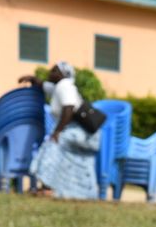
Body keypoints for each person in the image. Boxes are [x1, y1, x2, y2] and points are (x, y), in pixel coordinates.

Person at [19, 62, 101, 199]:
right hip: (78, 131)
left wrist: (57, 132)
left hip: (80, 132)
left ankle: (47, 187)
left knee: (52, 147)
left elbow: (68, 109)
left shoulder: (65, 86)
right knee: (57, 150)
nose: (50, 72)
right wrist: (32, 79)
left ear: (63, 74)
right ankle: (59, 189)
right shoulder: (59, 87)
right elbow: (43, 85)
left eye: (54, 71)